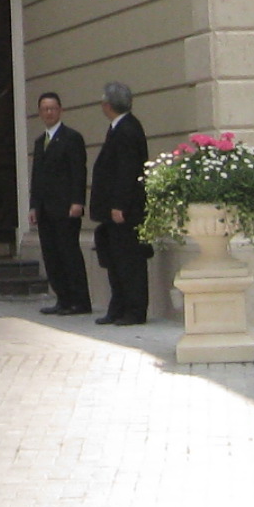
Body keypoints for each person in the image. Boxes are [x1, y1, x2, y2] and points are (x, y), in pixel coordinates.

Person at [88, 80, 151, 325]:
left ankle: (134, 310)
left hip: (125, 210)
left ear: (107, 105)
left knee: (129, 261)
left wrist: (119, 205)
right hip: (115, 209)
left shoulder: (127, 130)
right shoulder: (119, 128)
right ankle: (118, 307)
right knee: (115, 260)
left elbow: (127, 171)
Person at [28, 91, 90, 316]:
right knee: (51, 255)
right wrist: (34, 206)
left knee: (68, 254)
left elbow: (78, 172)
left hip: (66, 208)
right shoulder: (39, 142)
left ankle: (79, 301)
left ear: (60, 110)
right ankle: (62, 298)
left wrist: (77, 201)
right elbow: (37, 176)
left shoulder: (72, 138)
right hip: (45, 209)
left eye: (53, 108)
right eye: (45, 109)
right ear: (40, 112)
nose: (49, 113)